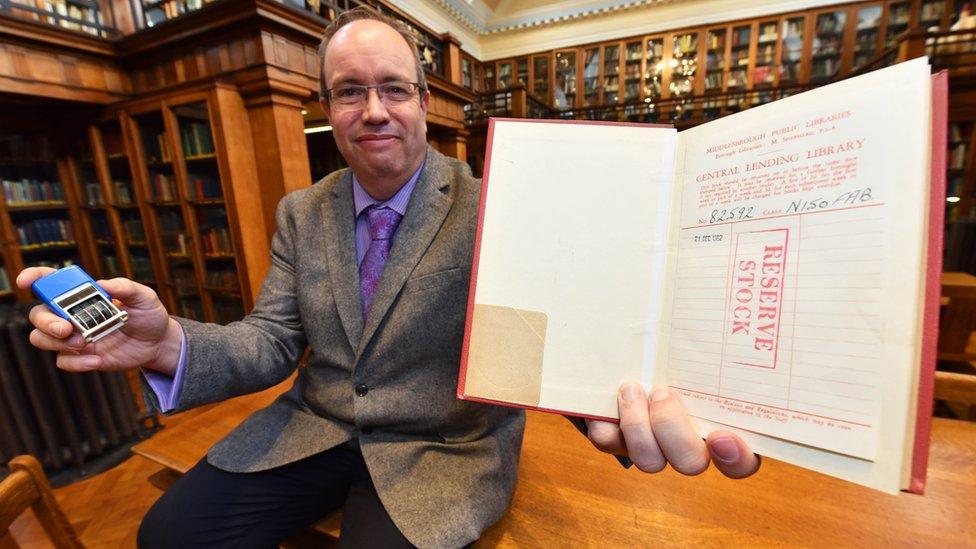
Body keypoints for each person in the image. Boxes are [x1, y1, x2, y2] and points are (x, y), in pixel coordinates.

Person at [17, 8, 759, 548]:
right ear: (327, 108)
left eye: (394, 89)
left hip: (443, 447)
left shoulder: (497, 202)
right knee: (168, 536)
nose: (374, 111)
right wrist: (167, 343)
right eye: (349, 91)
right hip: (314, 427)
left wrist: (619, 406)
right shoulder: (301, 212)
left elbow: (554, 336)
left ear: (423, 102)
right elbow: (272, 340)